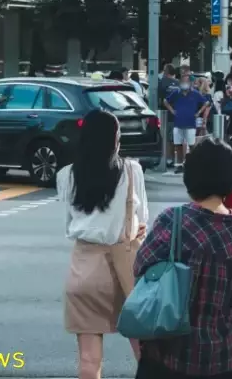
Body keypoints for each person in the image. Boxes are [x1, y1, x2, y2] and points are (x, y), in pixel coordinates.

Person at [134, 137, 232, 379]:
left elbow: (140, 269)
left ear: (190, 176)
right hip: (222, 356)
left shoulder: (173, 219)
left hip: (170, 353)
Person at [57, 109, 149, 379]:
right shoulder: (132, 170)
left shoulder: (66, 175)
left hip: (84, 271)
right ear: (114, 138)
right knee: (145, 354)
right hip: (126, 270)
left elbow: (68, 224)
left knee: (89, 361)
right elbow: (143, 219)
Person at [165, 77, 211, 169]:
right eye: (183, 82)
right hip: (178, 123)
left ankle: (193, 164)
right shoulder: (176, 93)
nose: (184, 84)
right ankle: (179, 165)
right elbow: (165, 101)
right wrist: (172, 111)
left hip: (190, 124)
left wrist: (198, 113)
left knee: (192, 145)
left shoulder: (195, 93)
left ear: (190, 83)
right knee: (178, 145)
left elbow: (206, 103)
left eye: (186, 82)